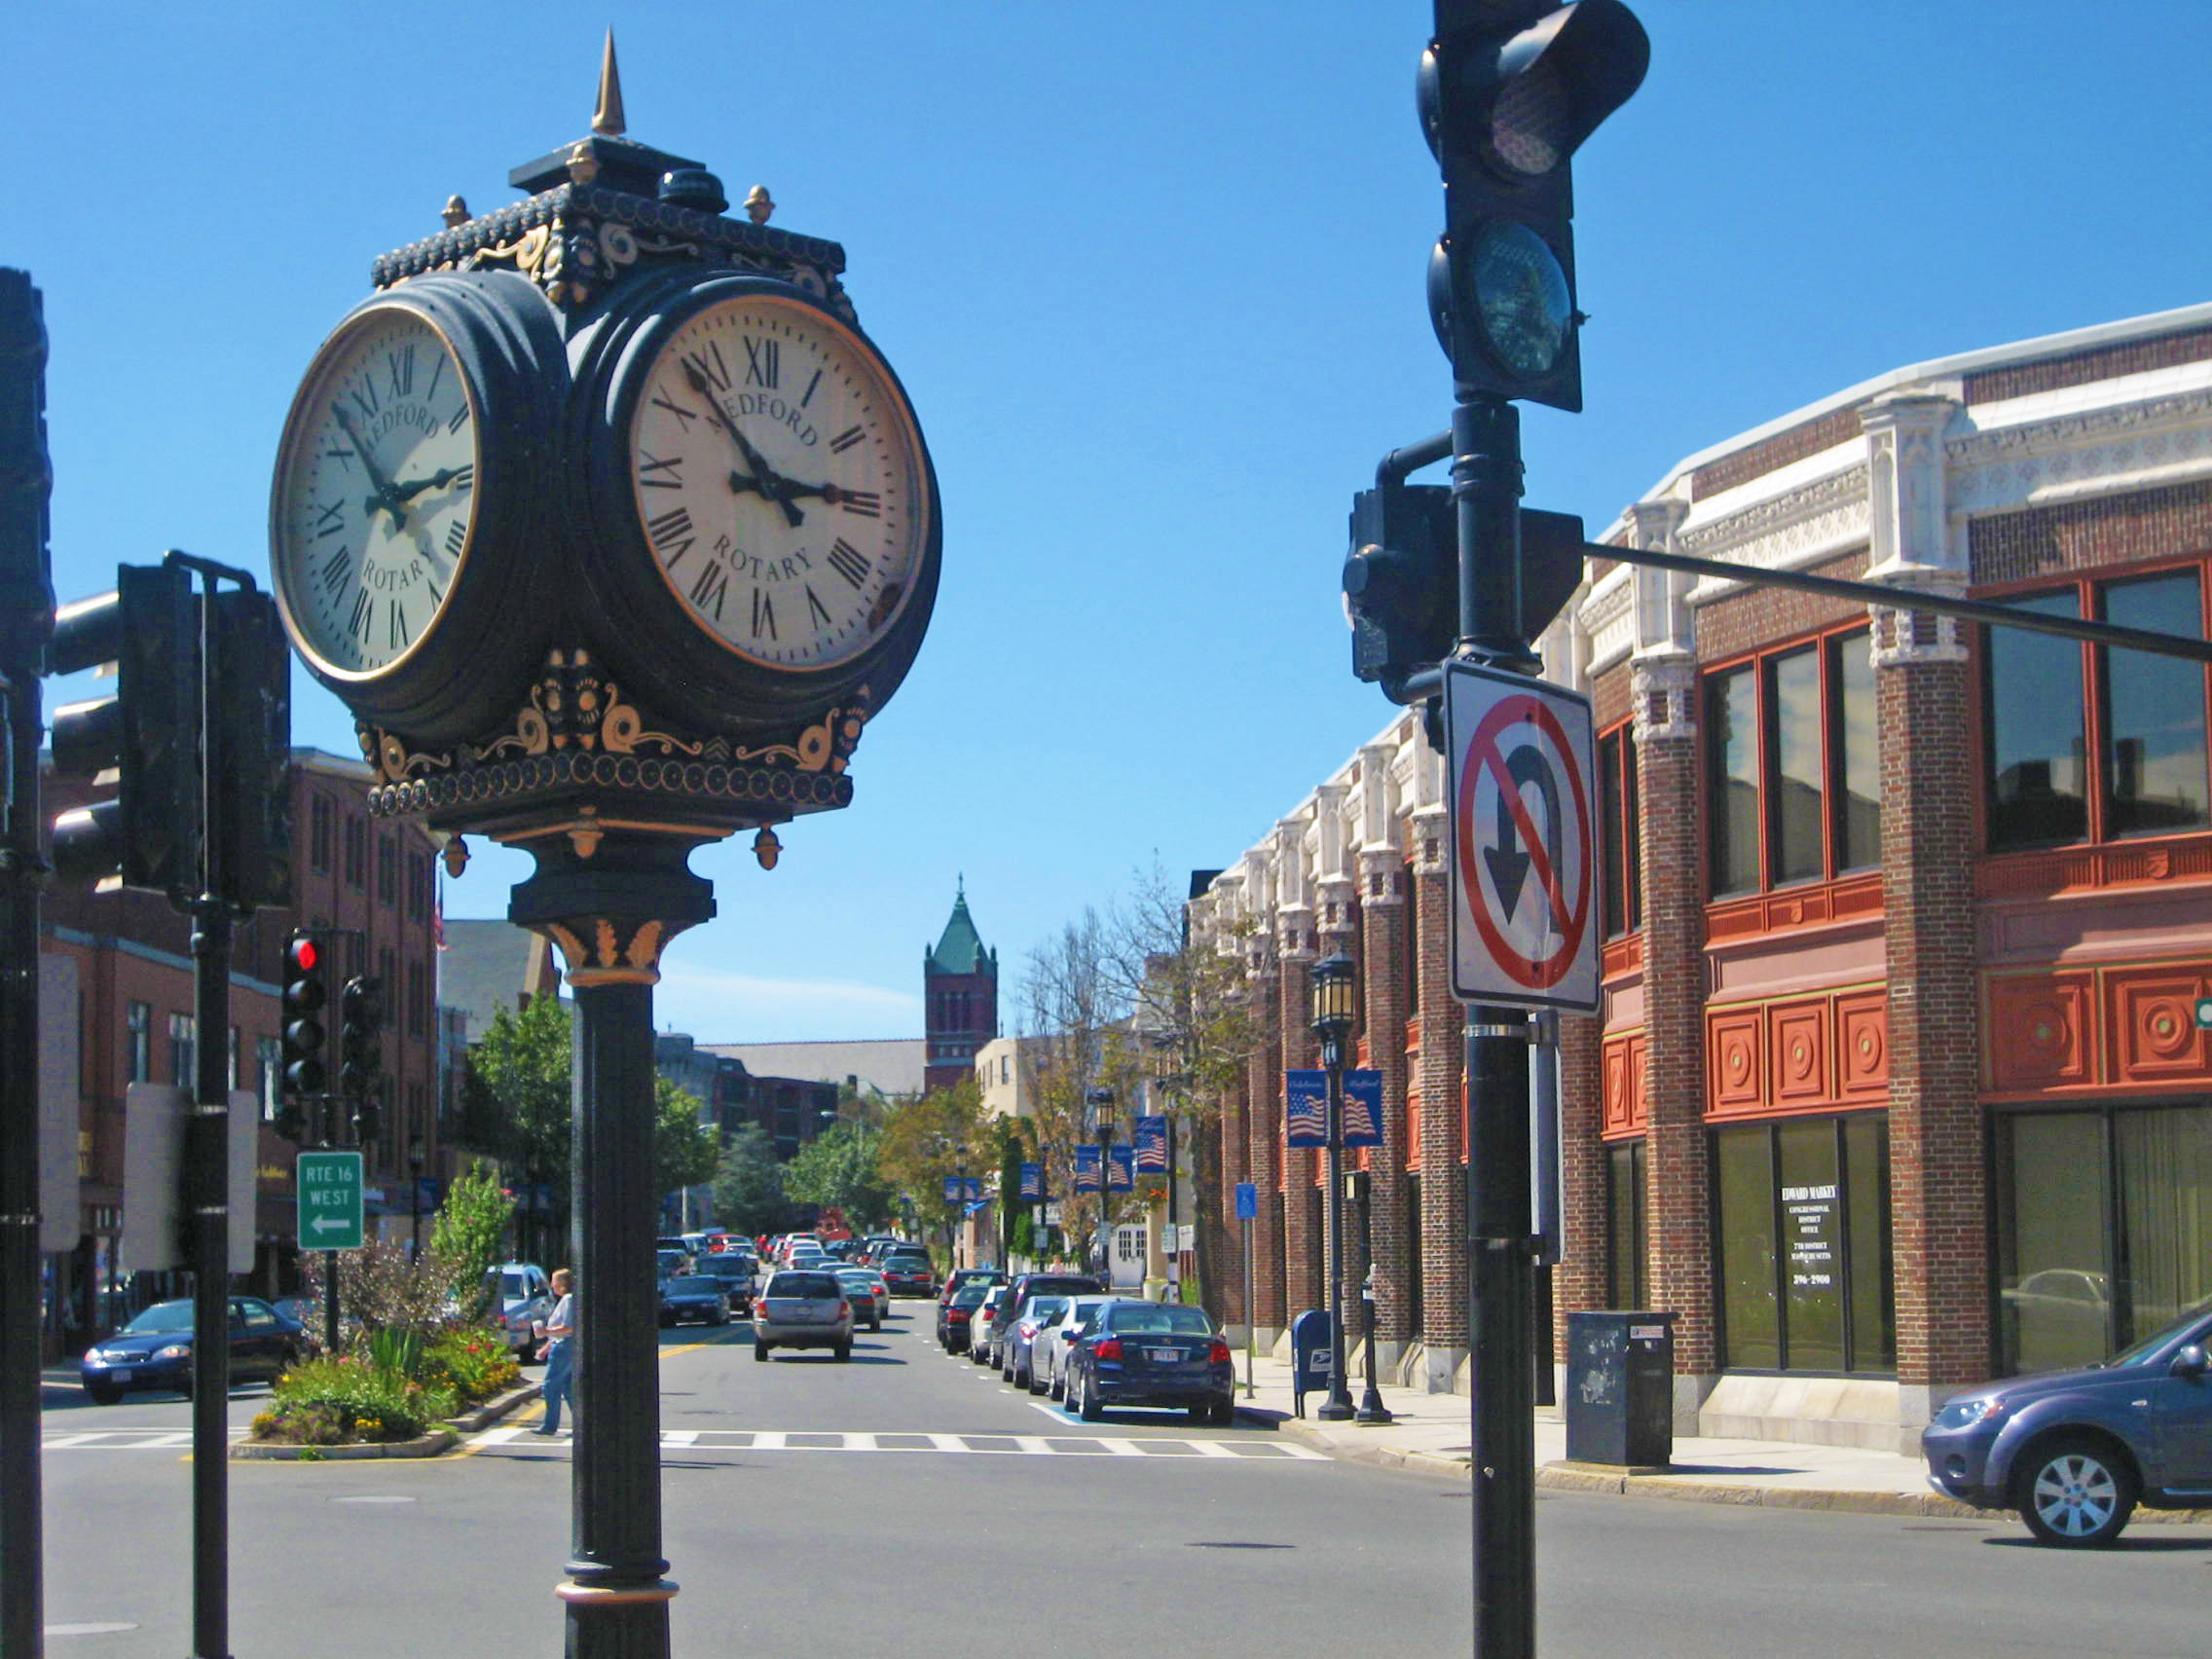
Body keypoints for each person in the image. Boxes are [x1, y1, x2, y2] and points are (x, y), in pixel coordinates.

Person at [534, 1268, 575, 1436]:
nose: (552, 1285)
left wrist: (545, 1332)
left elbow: (569, 1327)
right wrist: (546, 1347)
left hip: (565, 1347)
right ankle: (582, 1423)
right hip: (562, 1345)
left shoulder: (569, 1299)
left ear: (562, 1284)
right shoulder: (566, 1299)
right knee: (568, 1387)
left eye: (554, 1281)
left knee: (550, 1386)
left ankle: (550, 1425)